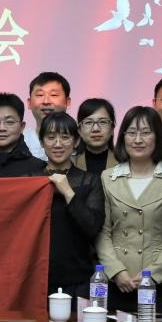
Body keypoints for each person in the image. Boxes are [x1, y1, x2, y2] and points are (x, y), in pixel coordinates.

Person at [96, 106, 162, 314]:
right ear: (122, 137)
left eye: (146, 132)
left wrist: (152, 274)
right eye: (131, 132)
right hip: (117, 281)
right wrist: (116, 271)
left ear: (158, 137)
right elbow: (103, 231)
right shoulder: (108, 177)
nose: (138, 140)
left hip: (157, 282)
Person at [34, 112, 104, 299]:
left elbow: (92, 228)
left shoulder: (91, 181)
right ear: (41, 142)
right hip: (36, 279)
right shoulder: (30, 180)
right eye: (51, 137)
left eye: (65, 137)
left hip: (79, 279)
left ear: (76, 141)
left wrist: (67, 191)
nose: (58, 144)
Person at [22, 71, 71, 161]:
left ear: (67, 102)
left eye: (54, 95)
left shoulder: (81, 140)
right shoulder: (20, 141)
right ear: (29, 103)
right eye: (40, 95)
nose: (46, 101)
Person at [74, 97, 118, 177]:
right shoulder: (69, 163)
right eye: (88, 122)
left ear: (112, 128)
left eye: (102, 122)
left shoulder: (124, 162)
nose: (96, 129)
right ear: (79, 130)